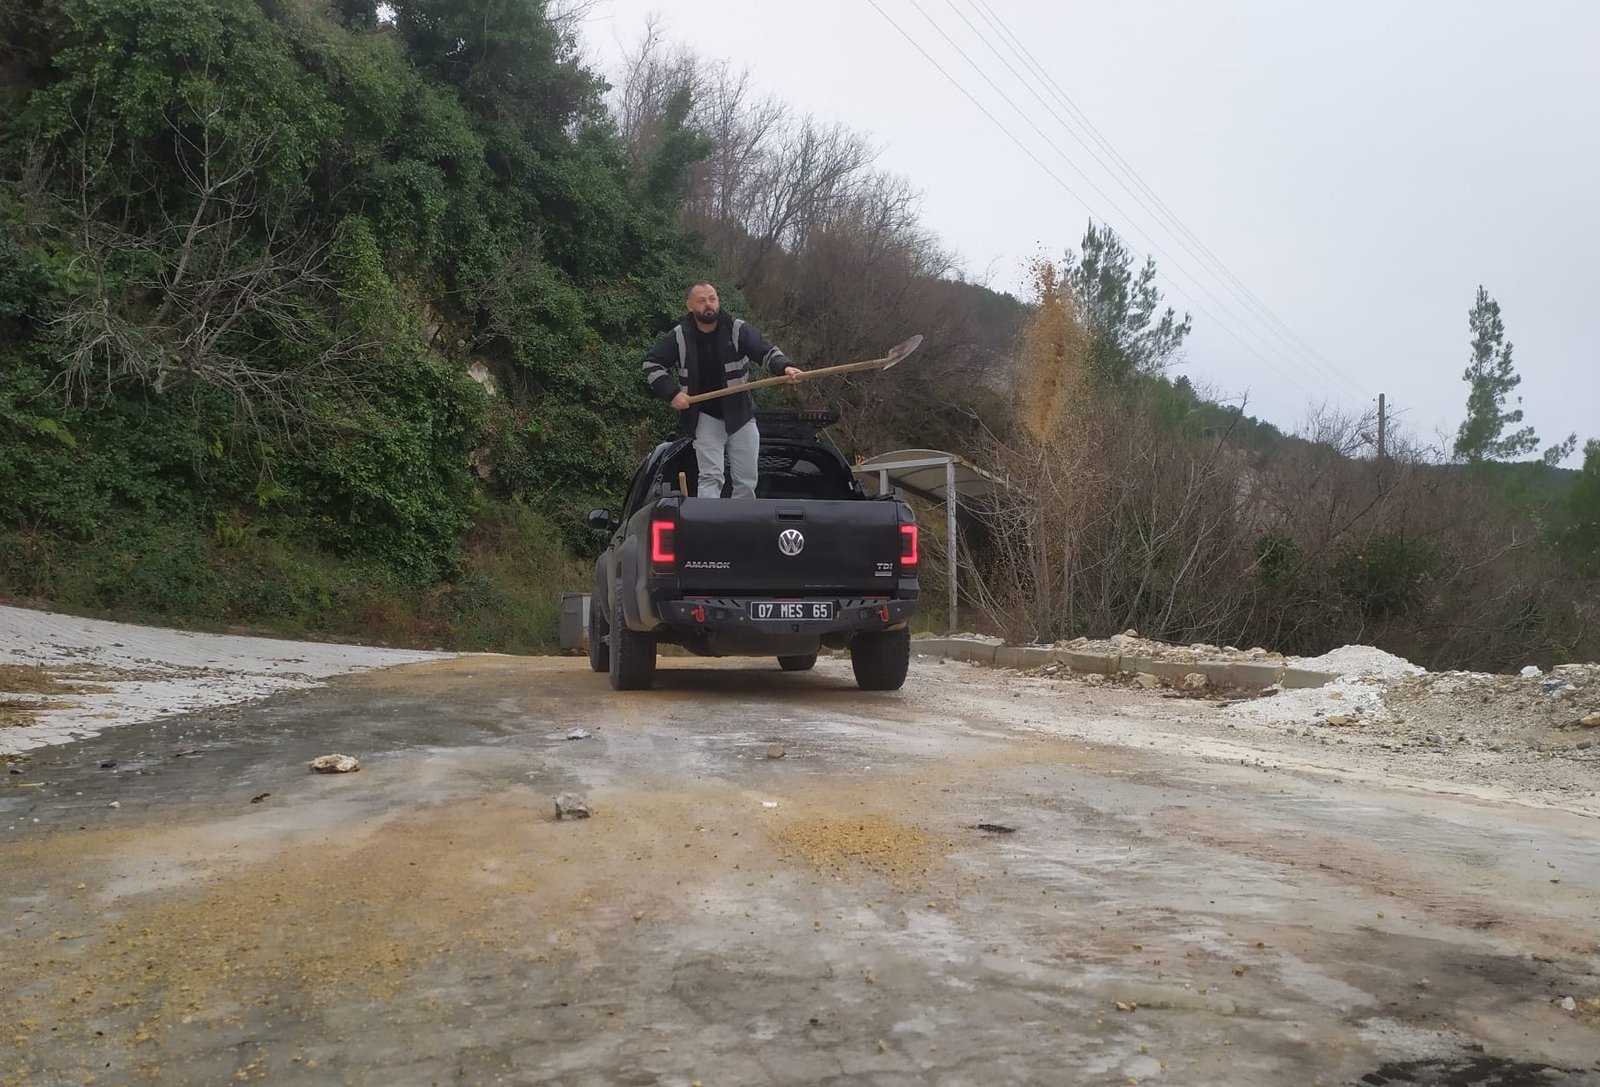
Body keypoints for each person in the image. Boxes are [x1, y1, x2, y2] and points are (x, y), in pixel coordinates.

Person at [642, 282, 802, 499]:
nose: (709, 304)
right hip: (705, 416)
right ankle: (709, 527)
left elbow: (765, 351)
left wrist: (785, 367)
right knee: (710, 477)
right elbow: (652, 364)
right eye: (702, 300)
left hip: (741, 415)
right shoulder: (679, 336)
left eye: (712, 298)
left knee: (746, 482)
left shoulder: (737, 329)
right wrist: (673, 393)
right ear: (689, 306)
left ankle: (741, 527)